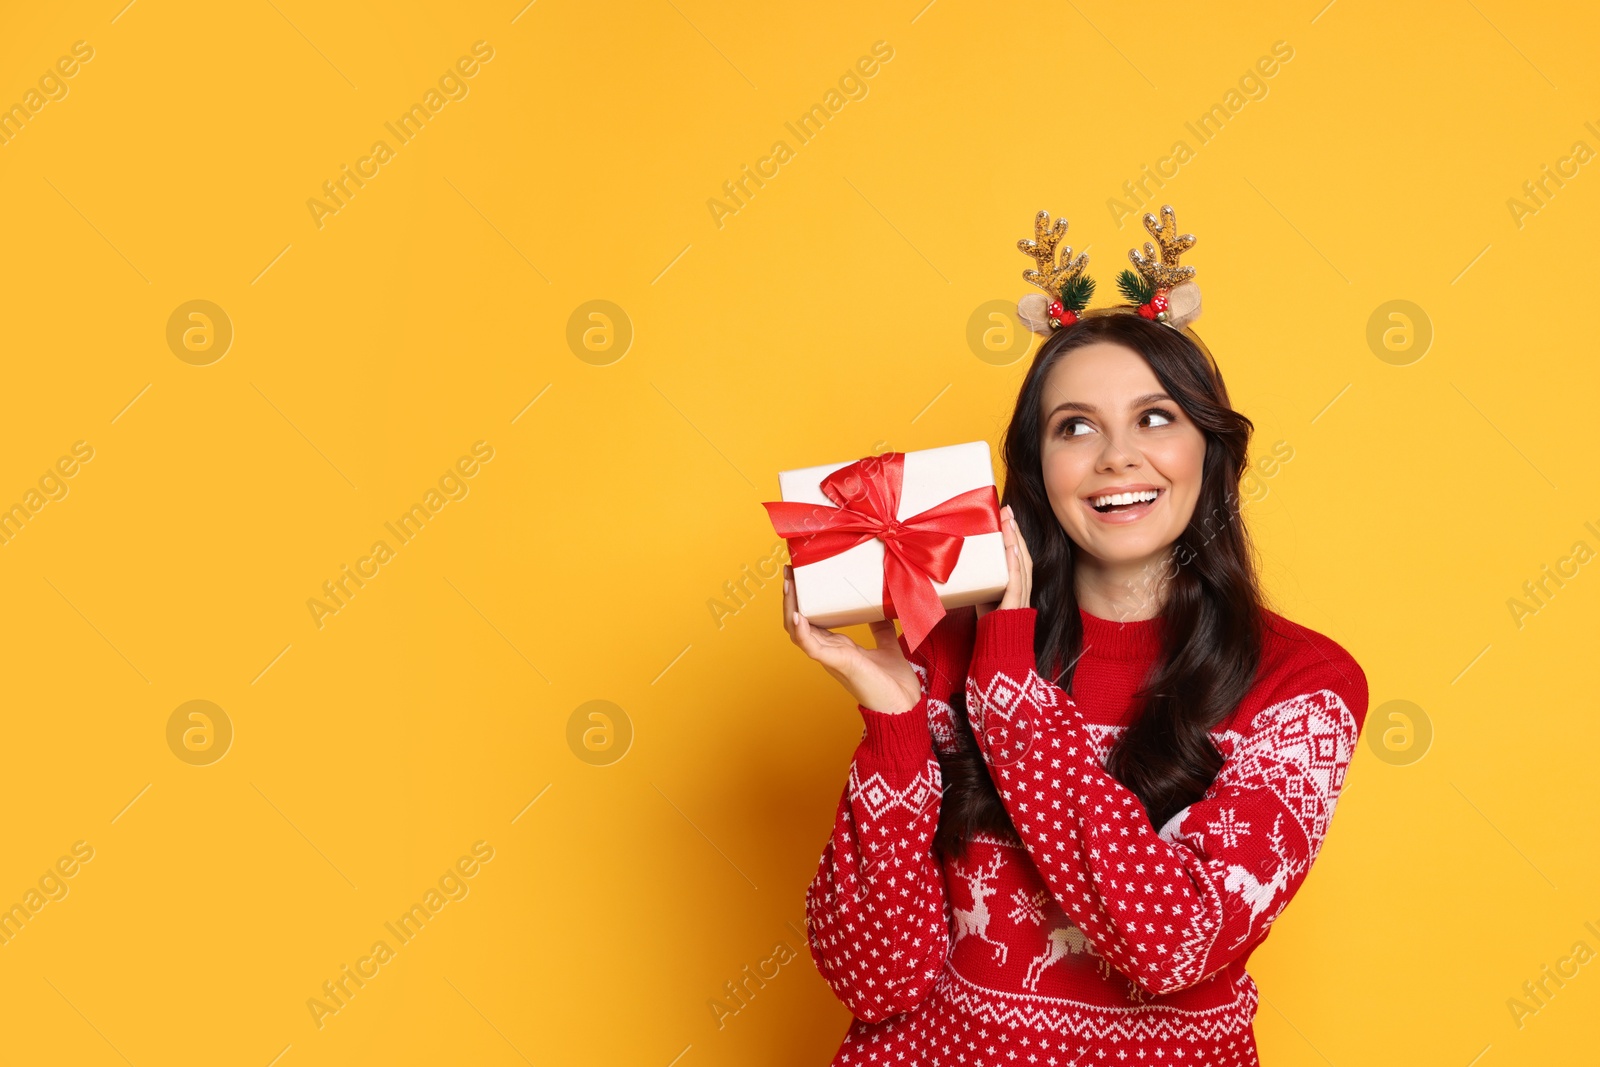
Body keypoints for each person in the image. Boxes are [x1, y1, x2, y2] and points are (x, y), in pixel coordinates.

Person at [782, 294, 1369, 1065]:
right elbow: (876, 979)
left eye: (1155, 418)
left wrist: (1007, 680)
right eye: (1076, 426)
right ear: (1037, 468)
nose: (1117, 457)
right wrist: (893, 718)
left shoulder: (1304, 686)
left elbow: (1174, 944)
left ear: (1210, 451)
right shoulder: (940, 642)